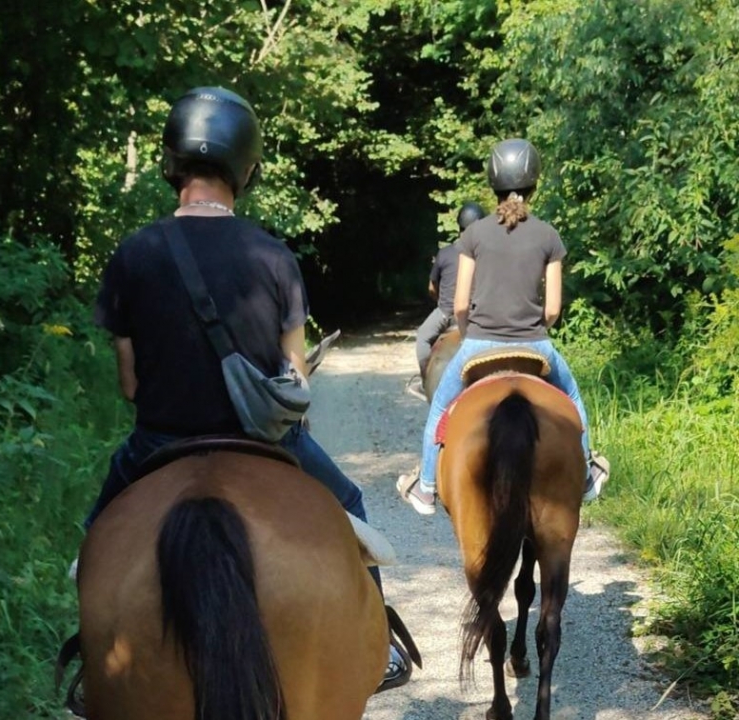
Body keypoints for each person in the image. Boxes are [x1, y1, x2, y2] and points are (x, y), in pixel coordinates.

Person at [84, 86, 411, 691]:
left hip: (157, 441)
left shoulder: (133, 254)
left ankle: (89, 658)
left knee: (95, 540)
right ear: (247, 169)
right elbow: (295, 376)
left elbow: (129, 385)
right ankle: (383, 647)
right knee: (354, 510)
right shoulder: (274, 256)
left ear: (170, 162)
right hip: (269, 444)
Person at [398, 138, 609, 515]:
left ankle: (427, 487)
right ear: (534, 183)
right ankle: (588, 476)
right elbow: (554, 308)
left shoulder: (473, 235)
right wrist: (533, 325)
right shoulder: (548, 235)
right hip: (535, 345)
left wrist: (471, 330)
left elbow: (460, 303)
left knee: (439, 410)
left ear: (492, 183)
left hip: (478, 343)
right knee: (574, 402)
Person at [410, 201, 487, 399]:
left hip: (446, 314)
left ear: (459, 226)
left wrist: (439, 300)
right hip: (479, 315)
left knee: (423, 338)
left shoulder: (444, 254)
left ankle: (425, 381)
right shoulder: (487, 254)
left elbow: (431, 287)